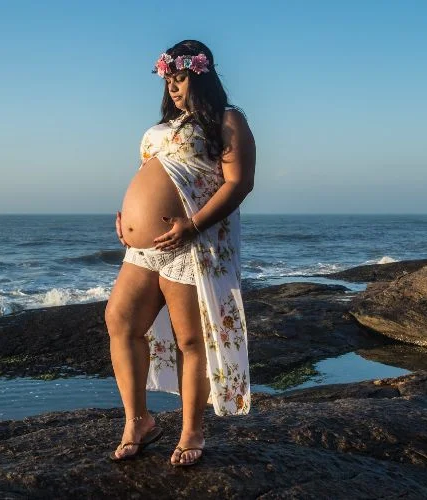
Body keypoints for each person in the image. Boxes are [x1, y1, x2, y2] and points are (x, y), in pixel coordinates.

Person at [106, 40, 256, 466]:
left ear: (202, 76)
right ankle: (138, 421)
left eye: (181, 78)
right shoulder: (162, 128)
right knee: (120, 320)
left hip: (193, 244)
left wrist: (190, 226)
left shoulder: (228, 121)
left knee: (192, 339)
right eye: (169, 79)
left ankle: (192, 431)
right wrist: (129, 218)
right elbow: (152, 175)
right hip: (146, 249)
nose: (173, 86)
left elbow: (238, 183)